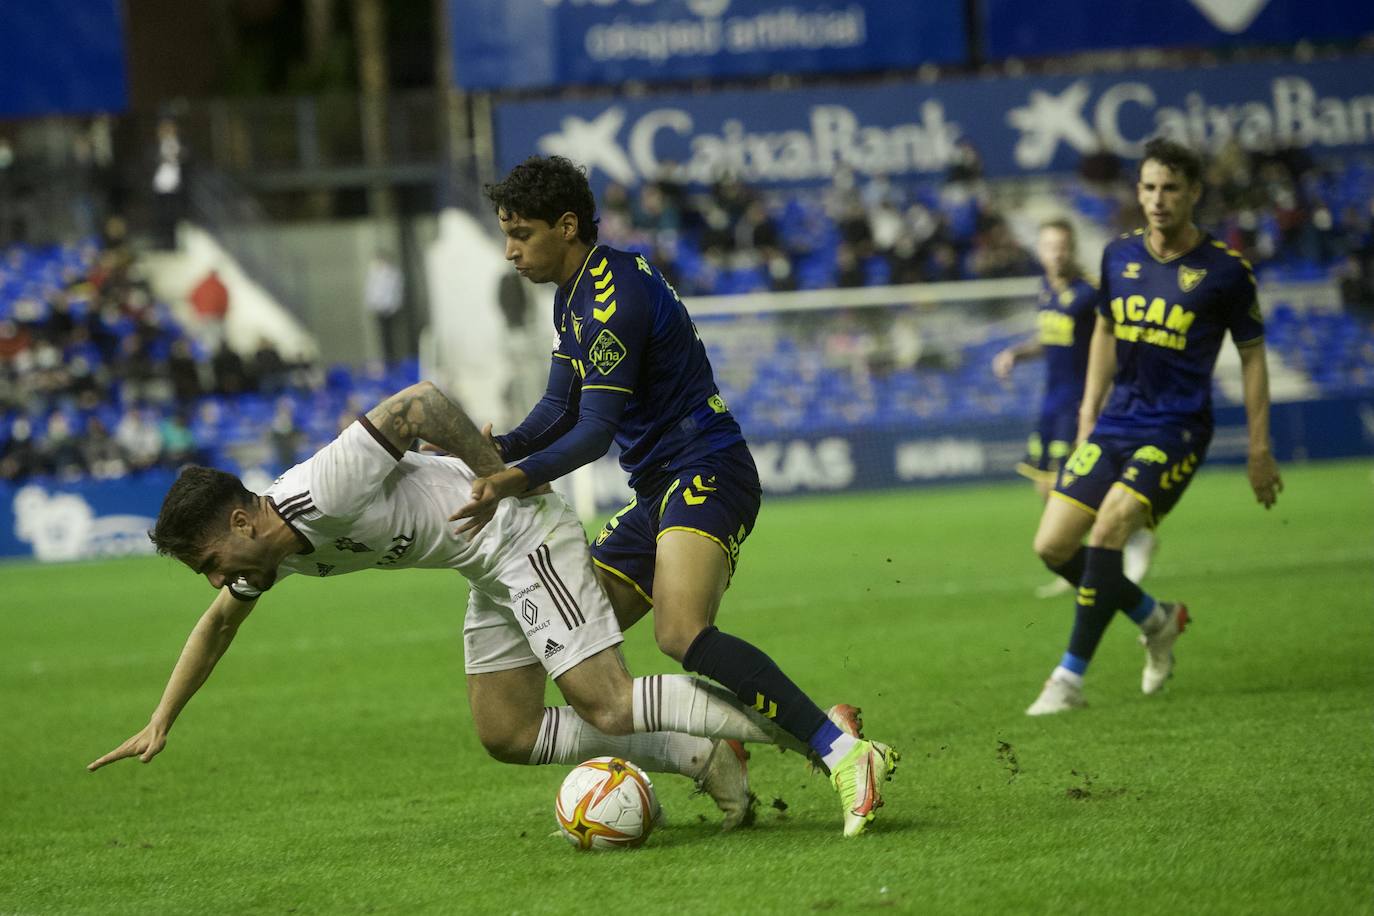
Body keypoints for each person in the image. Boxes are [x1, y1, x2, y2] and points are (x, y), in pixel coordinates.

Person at [88, 381, 815, 831]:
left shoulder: (319, 489)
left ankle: (813, 736)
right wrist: (160, 721)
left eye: (211, 563)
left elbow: (418, 403)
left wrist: (501, 477)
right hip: (484, 567)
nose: (218, 582)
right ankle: (700, 753)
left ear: (242, 522)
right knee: (506, 731)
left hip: (518, 534)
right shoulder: (270, 555)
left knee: (609, 704)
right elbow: (217, 628)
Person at [457, 156, 898, 837]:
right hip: (657, 489)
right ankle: (767, 738)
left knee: (679, 632)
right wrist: (500, 447)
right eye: (505, 233)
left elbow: (594, 430)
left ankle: (845, 755)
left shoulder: (613, 293)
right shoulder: (569, 296)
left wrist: (507, 479)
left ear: (566, 226)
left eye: (521, 233)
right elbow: (556, 407)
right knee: (577, 643)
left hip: (708, 467)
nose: (510, 249)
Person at [1025, 138, 1283, 715]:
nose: (1158, 199)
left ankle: (1068, 679)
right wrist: (1090, 411)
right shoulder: (1118, 256)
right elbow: (1107, 332)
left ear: (1194, 192)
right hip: (1117, 421)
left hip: (1177, 428)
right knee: (1051, 546)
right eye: (1148, 187)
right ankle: (1156, 618)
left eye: (1170, 188)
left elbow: (1253, 355)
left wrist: (1259, 449)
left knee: (1110, 528)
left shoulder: (1226, 271)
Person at [993, 219, 1156, 598]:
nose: (1057, 253)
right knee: (1043, 487)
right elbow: (1050, 340)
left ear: (1073, 247)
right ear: (1039, 250)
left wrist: (1101, 400)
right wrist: (1016, 353)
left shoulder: (1090, 293)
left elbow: (1112, 342)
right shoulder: (1046, 290)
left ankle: (1131, 536)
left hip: (1079, 404)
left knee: (1069, 487)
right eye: (1050, 246)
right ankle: (1071, 559)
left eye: (1063, 245)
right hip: (1051, 402)